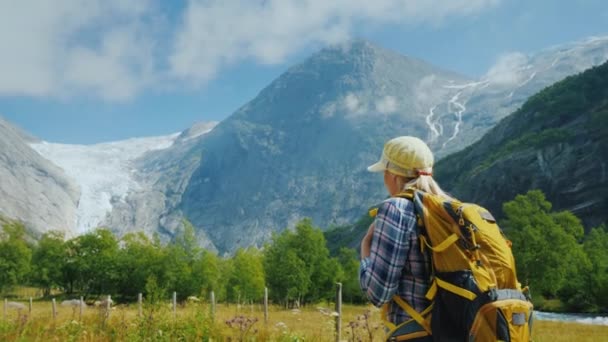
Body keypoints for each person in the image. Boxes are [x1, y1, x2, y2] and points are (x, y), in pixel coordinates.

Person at [359, 136, 453, 334]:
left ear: (392, 175)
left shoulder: (396, 209)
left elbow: (378, 294)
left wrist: (365, 247)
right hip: (452, 331)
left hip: (414, 332)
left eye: (384, 172)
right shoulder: (449, 210)